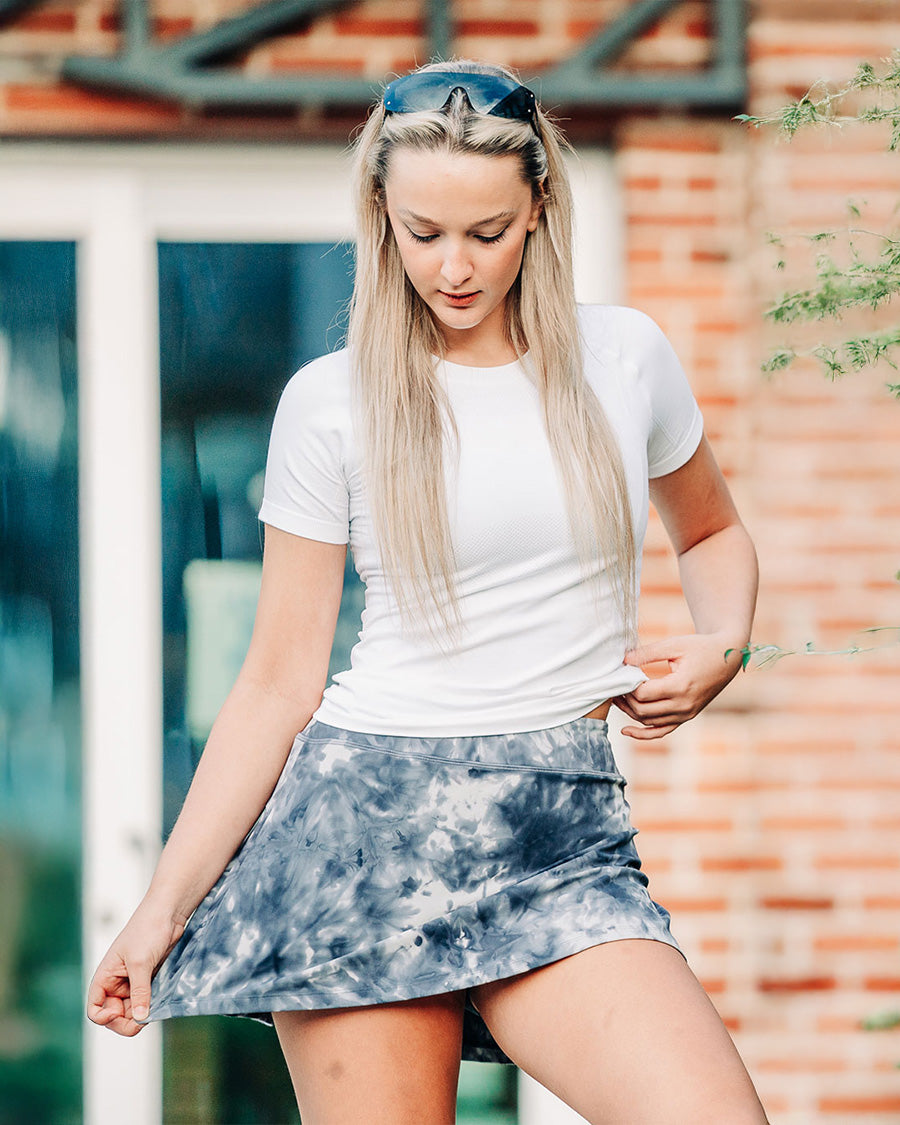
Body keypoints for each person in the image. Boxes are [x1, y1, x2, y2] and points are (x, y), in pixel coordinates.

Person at [87, 59, 768, 1125]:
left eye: (487, 233)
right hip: (362, 835)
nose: (453, 267)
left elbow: (714, 531)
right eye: (423, 232)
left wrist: (724, 643)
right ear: (381, 216)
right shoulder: (332, 404)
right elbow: (275, 682)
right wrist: (157, 914)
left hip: (563, 836)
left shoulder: (625, 359)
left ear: (539, 207)